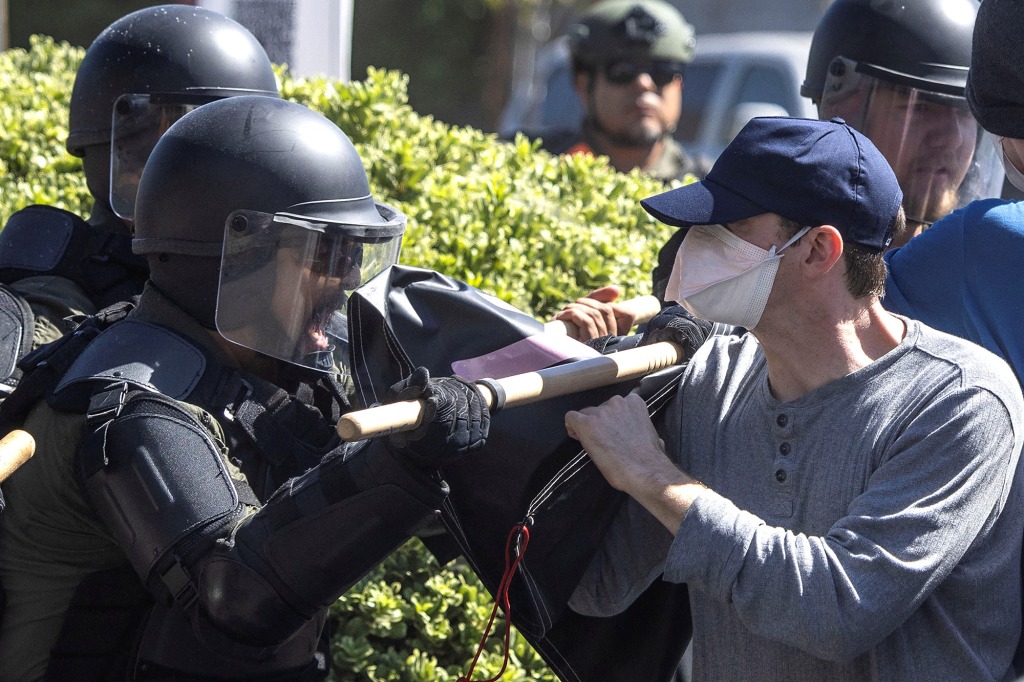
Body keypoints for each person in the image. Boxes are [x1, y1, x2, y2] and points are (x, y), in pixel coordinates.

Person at [0, 96, 490, 681]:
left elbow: (375, 496)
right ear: (236, 258)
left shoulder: (258, 363)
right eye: (326, 251)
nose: (349, 277)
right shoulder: (136, 405)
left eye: (353, 251)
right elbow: (237, 599)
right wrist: (399, 462)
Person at [563, 116, 1024, 681]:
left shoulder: (961, 402)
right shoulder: (713, 380)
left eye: (724, 227)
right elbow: (596, 587)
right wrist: (531, 396)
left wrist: (652, 474)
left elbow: (837, 609)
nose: (691, 246)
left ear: (817, 250)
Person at [0, 5, 280, 395]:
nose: (217, 181)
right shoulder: (43, 310)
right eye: (168, 152)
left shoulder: (272, 296)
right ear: (108, 151)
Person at [884, 0, 1024, 388]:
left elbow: (830, 317)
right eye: (919, 109)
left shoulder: (979, 242)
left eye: (962, 113)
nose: (947, 138)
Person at [800, 0, 1002, 247]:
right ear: (842, 111)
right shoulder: (779, 262)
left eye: (965, 112)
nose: (952, 139)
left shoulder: (969, 274)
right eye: (920, 108)